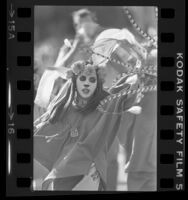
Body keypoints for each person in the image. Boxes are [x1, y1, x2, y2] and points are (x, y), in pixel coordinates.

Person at [34, 60, 141, 190]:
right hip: (64, 169)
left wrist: (137, 76)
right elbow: (44, 128)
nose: (87, 83)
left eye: (92, 80)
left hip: (89, 170)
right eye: (83, 78)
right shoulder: (65, 106)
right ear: (74, 81)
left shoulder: (104, 104)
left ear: (97, 84)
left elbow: (125, 96)